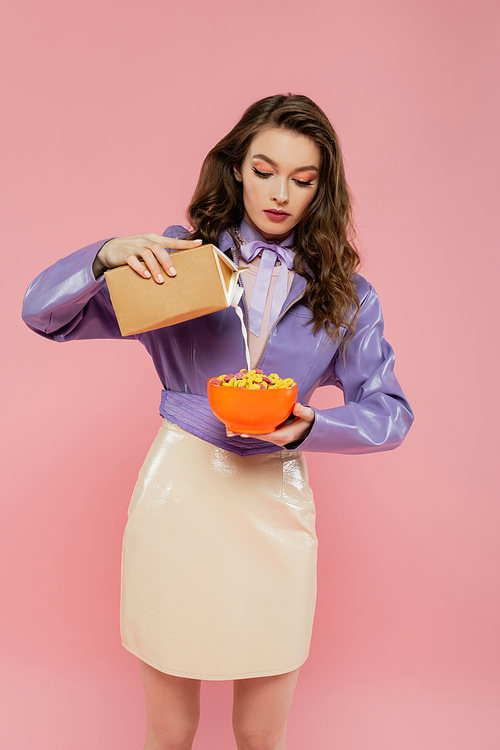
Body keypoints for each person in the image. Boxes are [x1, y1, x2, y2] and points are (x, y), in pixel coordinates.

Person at [22, 93, 414, 750]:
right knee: (170, 729)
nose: (281, 192)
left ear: (324, 188)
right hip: (181, 493)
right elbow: (44, 315)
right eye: (265, 170)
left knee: (263, 733)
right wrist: (105, 255)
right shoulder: (178, 260)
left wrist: (310, 426)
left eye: (303, 177)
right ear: (236, 168)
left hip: (275, 500)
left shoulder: (348, 294)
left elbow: (390, 413)